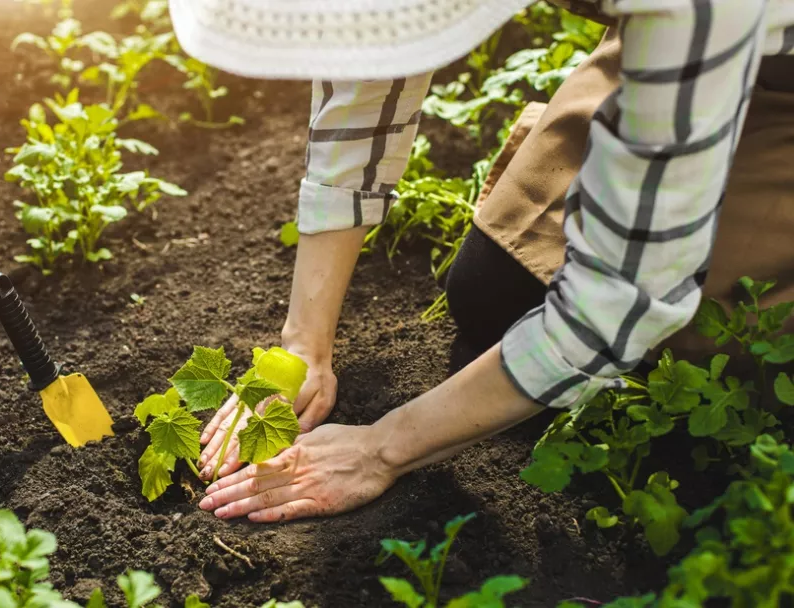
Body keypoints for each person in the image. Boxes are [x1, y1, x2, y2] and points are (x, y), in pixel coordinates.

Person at [166, 0, 794, 522]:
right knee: (498, 296)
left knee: (705, 369)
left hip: (738, 43)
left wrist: (381, 449)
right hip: (679, 44)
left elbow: (621, 299)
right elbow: (374, 59)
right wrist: (303, 346)